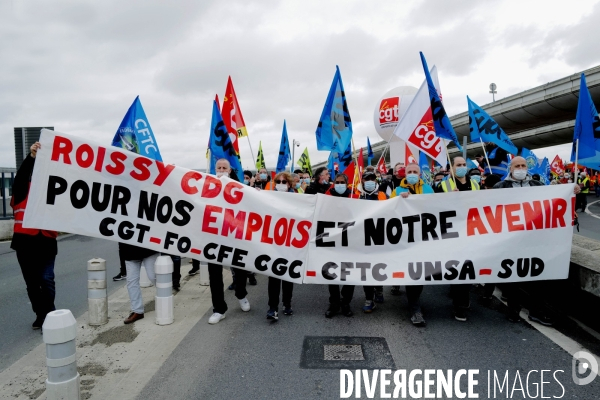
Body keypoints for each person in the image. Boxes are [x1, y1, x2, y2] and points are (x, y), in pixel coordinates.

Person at [493, 156, 580, 325]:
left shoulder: (537, 185)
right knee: (513, 278)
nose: (520, 168)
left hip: (534, 241)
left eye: (523, 165)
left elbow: (553, 201)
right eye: (516, 165)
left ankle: (536, 311)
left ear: (527, 168)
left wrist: (571, 189)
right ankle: (513, 309)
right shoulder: (500, 187)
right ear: (510, 169)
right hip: (511, 241)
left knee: (538, 277)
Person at [11, 141, 59, 329]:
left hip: (46, 240)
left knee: (46, 279)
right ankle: (42, 315)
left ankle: (51, 313)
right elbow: (21, 176)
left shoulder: (53, 191)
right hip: (25, 242)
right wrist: (31, 157)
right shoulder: (22, 188)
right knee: (32, 283)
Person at [435, 156, 480, 322]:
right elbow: (435, 209)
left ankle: (462, 294)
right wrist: (448, 200)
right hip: (452, 232)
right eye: (458, 165)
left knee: (469, 266)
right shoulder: (444, 186)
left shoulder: (475, 184)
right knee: (458, 267)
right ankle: (459, 305)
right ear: (452, 168)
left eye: (463, 165)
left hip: (472, 231)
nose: (462, 167)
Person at [207, 159, 251, 324]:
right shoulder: (208, 186)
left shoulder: (241, 188)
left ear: (230, 170)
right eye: (218, 168)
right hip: (213, 237)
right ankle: (219, 309)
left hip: (234, 235)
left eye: (224, 168)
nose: (221, 170)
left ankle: (241, 294)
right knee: (214, 275)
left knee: (240, 269)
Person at [390, 162, 434, 326]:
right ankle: (415, 309)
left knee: (420, 272)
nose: (413, 173)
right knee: (412, 271)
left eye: (415, 171)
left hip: (424, 236)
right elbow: (390, 211)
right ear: (405, 174)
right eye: (410, 171)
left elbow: (437, 208)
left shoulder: (428, 189)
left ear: (420, 174)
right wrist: (399, 201)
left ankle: (415, 304)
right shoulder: (397, 190)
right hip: (405, 238)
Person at [324, 173, 358, 318]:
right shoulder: (326, 197)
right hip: (333, 239)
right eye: (337, 182)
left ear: (347, 183)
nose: (339, 185)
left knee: (349, 273)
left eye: (342, 182)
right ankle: (334, 303)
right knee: (332, 272)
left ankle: (346, 302)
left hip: (351, 240)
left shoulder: (356, 198)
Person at [266, 172, 296, 320]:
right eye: (279, 181)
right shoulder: (268, 198)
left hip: (291, 243)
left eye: (285, 182)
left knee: (288, 275)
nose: (281, 184)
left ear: (289, 184)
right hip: (274, 243)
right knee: (274, 276)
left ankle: (287, 303)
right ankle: (272, 307)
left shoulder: (299, 199)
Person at [359, 170, 388, 312]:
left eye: (372, 178)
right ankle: (369, 298)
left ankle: (379, 289)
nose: (370, 181)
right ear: (362, 180)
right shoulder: (356, 195)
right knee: (366, 268)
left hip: (379, 236)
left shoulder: (382, 195)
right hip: (362, 237)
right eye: (367, 179)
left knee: (378, 266)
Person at [120, 242, 159, 324]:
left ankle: (165, 299)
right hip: (129, 250)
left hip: (149, 247)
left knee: (154, 276)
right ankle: (137, 311)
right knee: (131, 281)